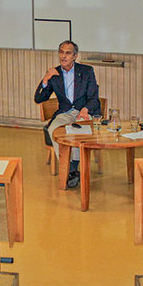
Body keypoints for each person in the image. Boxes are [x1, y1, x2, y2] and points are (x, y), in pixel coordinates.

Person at [34, 40, 101, 187]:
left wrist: (85, 109)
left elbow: (94, 98)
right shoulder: (55, 74)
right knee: (54, 130)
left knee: (78, 130)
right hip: (65, 112)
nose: (63, 56)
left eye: (68, 53)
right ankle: (71, 169)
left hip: (83, 111)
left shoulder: (86, 71)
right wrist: (46, 79)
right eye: (61, 52)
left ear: (75, 56)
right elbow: (38, 98)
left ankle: (73, 168)